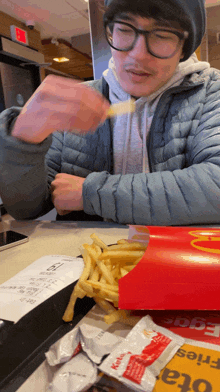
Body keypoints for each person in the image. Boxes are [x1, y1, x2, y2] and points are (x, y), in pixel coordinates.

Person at [0, 0, 220, 226]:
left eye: (162, 35)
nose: (138, 54)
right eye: (125, 29)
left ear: (185, 47)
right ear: (112, 32)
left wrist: (91, 194)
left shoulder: (211, 92)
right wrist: (22, 140)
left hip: (179, 256)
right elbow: (25, 209)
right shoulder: (80, 100)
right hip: (85, 257)